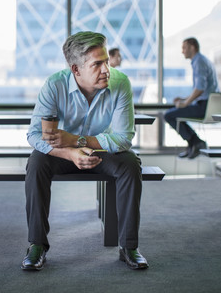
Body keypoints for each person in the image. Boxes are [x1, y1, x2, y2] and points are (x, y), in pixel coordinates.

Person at [22, 31, 148, 271]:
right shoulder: (54, 85)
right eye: (97, 64)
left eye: (106, 61)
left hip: (101, 150)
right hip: (63, 153)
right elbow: (34, 135)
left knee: (131, 164)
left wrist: (77, 141)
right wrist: (69, 152)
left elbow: (124, 139)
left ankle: (129, 247)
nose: (106, 70)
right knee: (36, 163)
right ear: (76, 70)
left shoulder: (120, 83)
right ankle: (36, 244)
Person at [164, 37, 219, 159]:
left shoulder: (199, 61)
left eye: (184, 48)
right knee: (175, 113)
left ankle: (195, 142)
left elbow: (200, 88)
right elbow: (200, 90)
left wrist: (186, 103)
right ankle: (195, 143)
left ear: (192, 47)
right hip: (207, 104)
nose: (182, 51)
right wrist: (185, 99)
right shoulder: (202, 60)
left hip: (205, 106)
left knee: (168, 115)